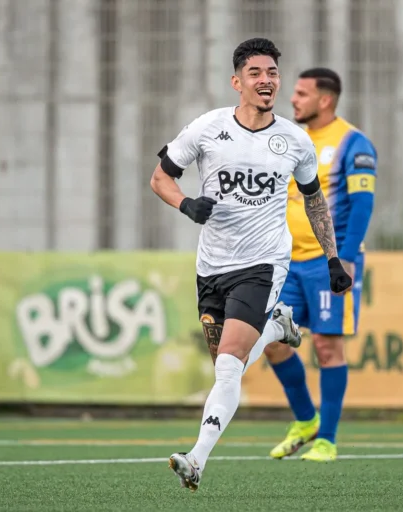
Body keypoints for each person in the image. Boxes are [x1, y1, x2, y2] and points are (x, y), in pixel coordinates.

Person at [149, 39, 353, 491]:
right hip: (211, 266)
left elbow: (315, 202)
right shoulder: (207, 128)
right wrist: (186, 205)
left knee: (228, 365)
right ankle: (278, 329)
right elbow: (161, 177)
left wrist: (333, 258)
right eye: (256, 73)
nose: (267, 81)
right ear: (237, 81)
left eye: (273, 73)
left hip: (263, 263)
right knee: (229, 365)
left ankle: (196, 458)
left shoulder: (294, 141)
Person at [263, 68, 378, 462]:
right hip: (285, 261)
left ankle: (327, 439)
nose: (291, 99)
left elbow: (362, 204)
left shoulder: (353, 143)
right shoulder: (290, 139)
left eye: (300, 93)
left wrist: (343, 258)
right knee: (273, 339)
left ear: (324, 100)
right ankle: (306, 419)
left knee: (328, 348)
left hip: (328, 262)